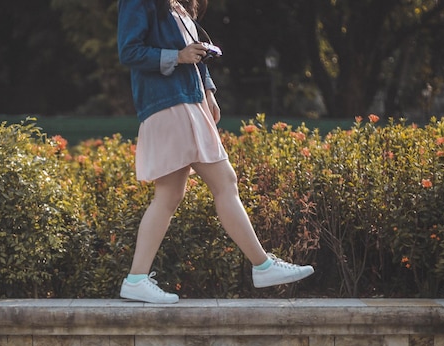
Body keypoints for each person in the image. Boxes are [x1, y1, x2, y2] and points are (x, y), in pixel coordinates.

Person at [117, 0, 314, 304]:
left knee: (170, 195)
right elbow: (129, 51)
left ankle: (136, 279)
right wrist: (178, 56)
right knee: (224, 182)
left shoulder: (176, 7)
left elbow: (194, 54)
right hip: (171, 103)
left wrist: (208, 91)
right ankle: (262, 265)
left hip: (186, 101)